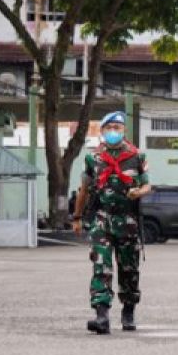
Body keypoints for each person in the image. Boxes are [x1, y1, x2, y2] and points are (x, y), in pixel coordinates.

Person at [73, 111, 151, 335]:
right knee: (101, 266)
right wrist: (77, 217)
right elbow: (84, 189)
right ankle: (102, 316)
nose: (114, 131)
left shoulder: (138, 156)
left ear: (124, 131)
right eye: (110, 127)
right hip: (102, 219)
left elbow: (147, 185)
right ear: (103, 130)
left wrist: (139, 193)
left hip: (128, 220)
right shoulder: (93, 158)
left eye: (118, 127)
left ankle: (128, 310)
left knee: (129, 269)